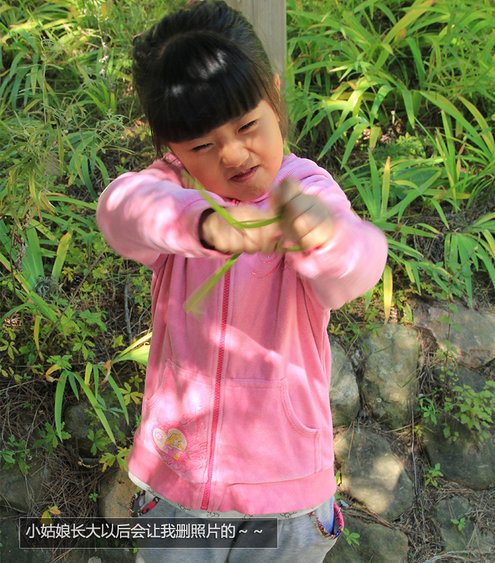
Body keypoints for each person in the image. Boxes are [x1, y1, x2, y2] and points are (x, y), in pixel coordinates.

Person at [96, 1, 388, 561]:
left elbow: (358, 263)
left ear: (274, 97)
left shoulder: (305, 187)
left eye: (247, 125)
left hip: (287, 496)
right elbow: (119, 210)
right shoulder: (174, 191)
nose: (232, 153)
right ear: (172, 150)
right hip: (179, 483)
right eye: (201, 145)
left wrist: (321, 235)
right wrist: (208, 224)